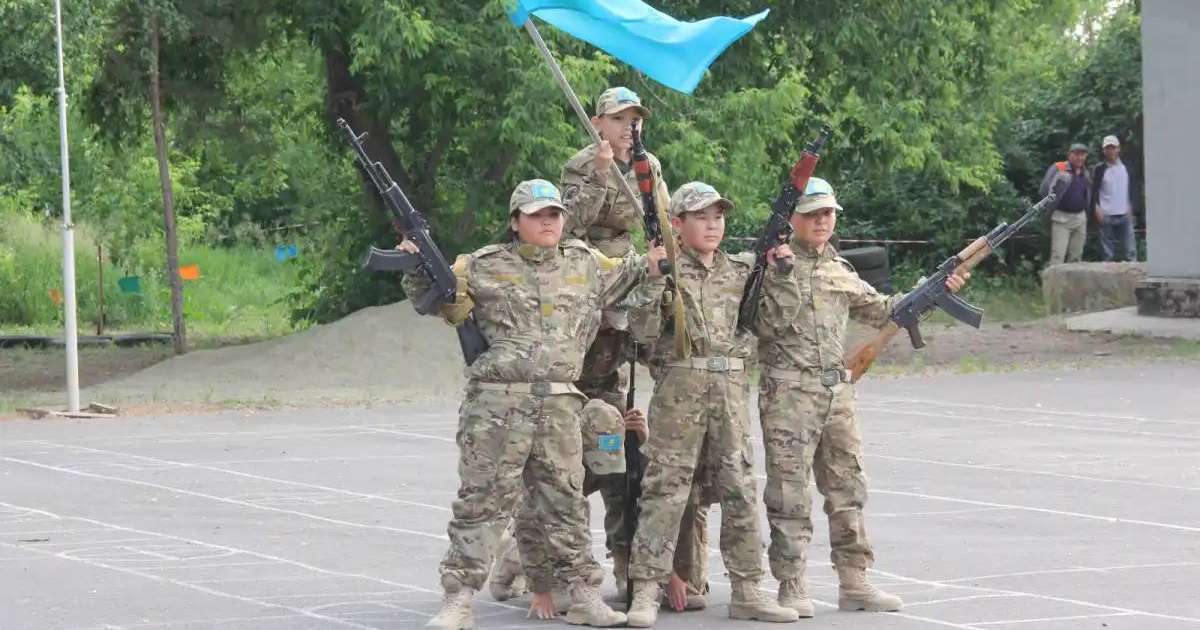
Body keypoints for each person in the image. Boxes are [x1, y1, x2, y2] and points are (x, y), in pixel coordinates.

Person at [400, 179, 667, 629]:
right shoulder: (481, 265)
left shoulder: (585, 263)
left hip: (561, 403)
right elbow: (435, 302)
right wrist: (415, 265)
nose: (548, 222)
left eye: (555, 214)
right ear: (515, 221)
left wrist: (660, 259)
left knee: (565, 504)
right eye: (537, 215)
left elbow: (631, 273)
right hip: (497, 405)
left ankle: (583, 595)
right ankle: (458, 600)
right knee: (481, 502)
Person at [754, 178, 969, 618]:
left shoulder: (839, 271)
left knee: (847, 488)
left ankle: (854, 580)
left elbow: (885, 310)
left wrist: (935, 290)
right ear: (792, 219)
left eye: (829, 213)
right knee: (789, 494)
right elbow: (759, 322)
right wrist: (777, 268)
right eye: (813, 213)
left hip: (837, 392)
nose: (822, 221)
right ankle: (791, 583)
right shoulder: (768, 267)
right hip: (789, 394)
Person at [624, 182, 801, 627]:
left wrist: (782, 276)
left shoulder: (741, 271)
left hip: (728, 392)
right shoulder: (664, 268)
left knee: (740, 491)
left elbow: (775, 324)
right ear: (677, 224)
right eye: (701, 216)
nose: (712, 224)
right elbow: (641, 333)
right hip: (679, 391)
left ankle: (747, 589)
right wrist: (651, 279)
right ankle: (646, 589)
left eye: (718, 216)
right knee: (665, 491)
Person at [1039, 142, 1093, 266]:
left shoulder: (1086, 172)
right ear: (1069, 155)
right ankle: (1053, 285)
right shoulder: (1059, 167)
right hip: (1061, 218)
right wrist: (1049, 207)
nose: (1080, 158)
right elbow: (1044, 189)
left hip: (1080, 218)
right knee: (1058, 256)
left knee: (1076, 257)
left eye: (1083, 155)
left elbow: (1088, 195)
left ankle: (1072, 285)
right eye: (1077, 154)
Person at [1092, 135, 1137, 262]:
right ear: (1103, 151)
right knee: (1108, 255)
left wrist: (1132, 206)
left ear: (1118, 149)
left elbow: (1134, 188)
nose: (1110, 151)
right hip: (1106, 215)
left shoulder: (1127, 167)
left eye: (1113, 148)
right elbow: (1093, 192)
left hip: (1125, 214)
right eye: (1108, 148)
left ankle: (1134, 280)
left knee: (1130, 252)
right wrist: (1096, 209)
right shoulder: (1099, 169)